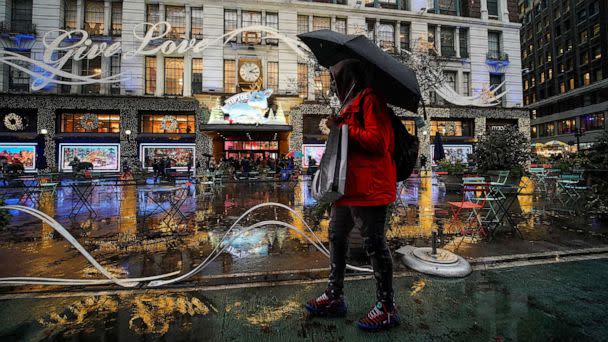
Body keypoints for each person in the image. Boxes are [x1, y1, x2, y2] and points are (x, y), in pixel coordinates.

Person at [304, 59, 399, 331]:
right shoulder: (349, 105)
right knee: (336, 234)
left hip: (369, 188)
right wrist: (337, 125)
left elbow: (377, 141)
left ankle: (387, 307)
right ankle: (335, 296)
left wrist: (343, 128)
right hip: (347, 189)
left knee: (374, 243)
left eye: (336, 78)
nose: (332, 84)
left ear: (350, 77)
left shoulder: (370, 100)